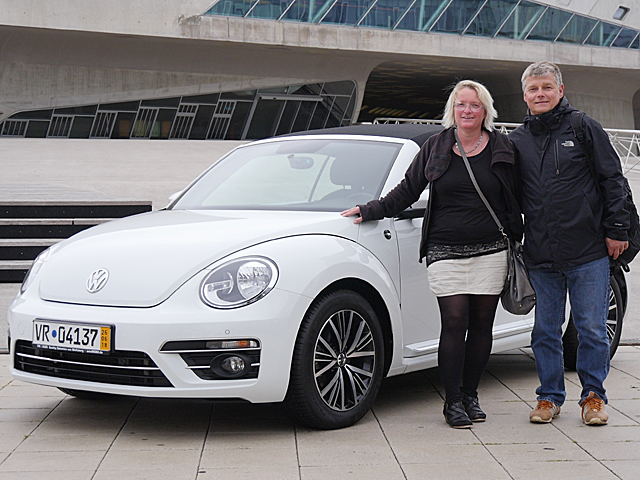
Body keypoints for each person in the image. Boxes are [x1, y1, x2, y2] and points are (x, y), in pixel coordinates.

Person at [342, 80, 523, 428]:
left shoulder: (503, 145)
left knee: (482, 324)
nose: (467, 111)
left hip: (492, 248)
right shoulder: (436, 146)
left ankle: (471, 395)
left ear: (485, 111)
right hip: (444, 248)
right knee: (455, 322)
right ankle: (452, 401)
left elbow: (522, 192)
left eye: (474, 105)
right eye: (461, 105)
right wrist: (370, 209)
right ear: (452, 110)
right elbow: (408, 189)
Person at [509, 61, 629, 426]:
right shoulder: (517, 139)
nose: (540, 94)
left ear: (560, 90)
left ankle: (594, 397)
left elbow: (613, 180)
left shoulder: (583, 127)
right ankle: (549, 397)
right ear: (525, 95)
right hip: (541, 253)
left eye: (547, 87)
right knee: (545, 330)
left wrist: (617, 230)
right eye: (533, 89)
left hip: (588, 250)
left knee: (591, 328)